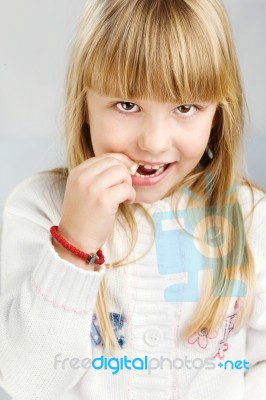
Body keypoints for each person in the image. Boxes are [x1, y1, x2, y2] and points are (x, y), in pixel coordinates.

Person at [0, 0, 266, 399]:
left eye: (185, 107)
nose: (154, 142)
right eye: (127, 105)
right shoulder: (39, 208)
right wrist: (74, 246)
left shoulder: (250, 218)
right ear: (85, 105)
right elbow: (26, 382)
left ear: (217, 115)